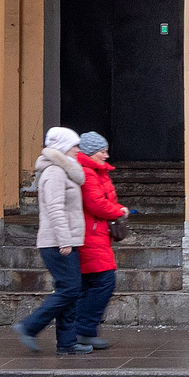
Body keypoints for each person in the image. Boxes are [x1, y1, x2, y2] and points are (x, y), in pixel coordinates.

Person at [14, 127, 87, 353]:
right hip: (56, 242)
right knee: (70, 289)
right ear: (64, 147)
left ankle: (67, 343)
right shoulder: (55, 172)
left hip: (65, 240)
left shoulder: (63, 171)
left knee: (70, 289)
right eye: (74, 145)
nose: (77, 150)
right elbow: (55, 209)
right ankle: (29, 326)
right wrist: (65, 240)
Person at [71, 131, 130, 353]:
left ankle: (85, 332)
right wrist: (119, 210)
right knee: (105, 281)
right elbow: (96, 204)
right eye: (102, 152)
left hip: (95, 234)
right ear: (90, 153)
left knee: (89, 285)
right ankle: (84, 330)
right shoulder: (88, 173)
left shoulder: (93, 171)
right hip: (91, 235)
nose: (106, 156)